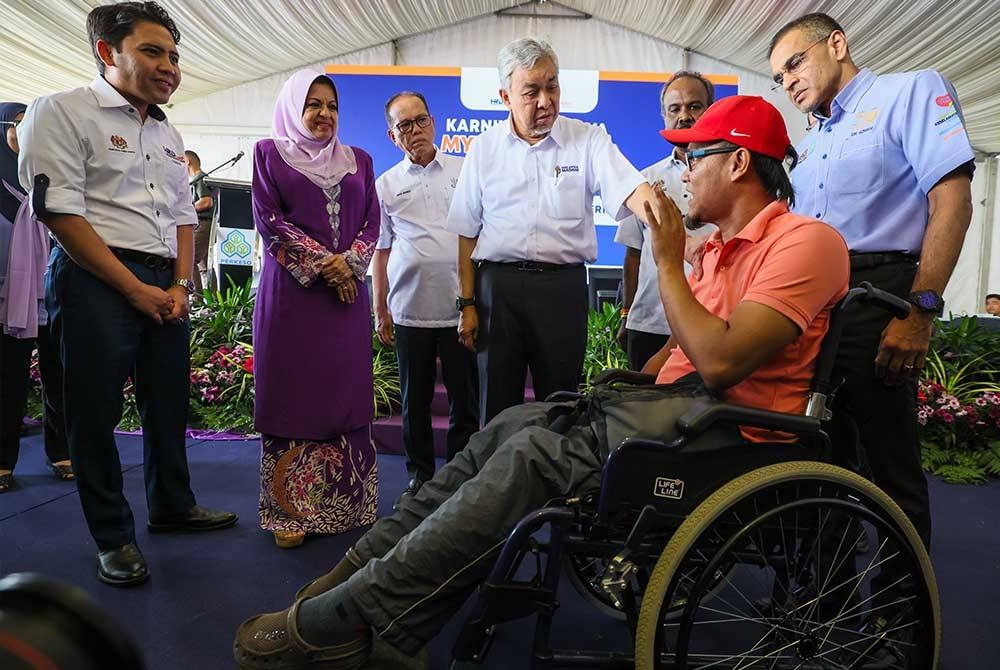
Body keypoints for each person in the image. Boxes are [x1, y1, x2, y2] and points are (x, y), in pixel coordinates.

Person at [232, 95, 851, 669]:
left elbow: (717, 365)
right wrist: (629, 385)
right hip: (679, 411)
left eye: (693, 155)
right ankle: (356, 571)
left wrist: (667, 259)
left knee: (531, 457)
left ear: (740, 161)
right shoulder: (721, 248)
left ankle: (362, 615)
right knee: (509, 425)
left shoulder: (808, 243)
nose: (680, 169)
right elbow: (682, 353)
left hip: (728, 437)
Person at [17, 1, 237, 586]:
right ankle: (113, 536)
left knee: (167, 404)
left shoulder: (167, 129)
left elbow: (184, 217)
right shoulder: (59, 111)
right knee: (94, 414)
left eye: (173, 56)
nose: (170, 67)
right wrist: (134, 288)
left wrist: (181, 285)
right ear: (106, 53)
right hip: (95, 282)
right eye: (152, 52)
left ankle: (172, 506)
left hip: (166, 284)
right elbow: (60, 214)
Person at [768, 12, 975, 549]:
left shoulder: (910, 93)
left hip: (881, 294)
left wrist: (919, 311)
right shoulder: (810, 144)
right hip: (816, 305)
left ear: (836, 44)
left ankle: (900, 619)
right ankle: (826, 608)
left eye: (794, 63)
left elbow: (951, 201)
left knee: (890, 470)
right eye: (779, 77)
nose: (788, 81)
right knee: (820, 463)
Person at [446, 37, 655, 425]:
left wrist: (664, 219)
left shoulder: (588, 139)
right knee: (497, 407)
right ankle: (497, 484)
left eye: (552, 86)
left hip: (563, 290)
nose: (546, 100)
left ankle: (555, 487)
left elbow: (631, 187)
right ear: (505, 96)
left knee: (561, 404)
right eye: (532, 91)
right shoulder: (483, 149)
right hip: (498, 291)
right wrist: (467, 303)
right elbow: (465, 232)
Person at [251, 69, 380, 550]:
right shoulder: (268, 154)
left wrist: (350, 265)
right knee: (293, 391)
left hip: (345, 301)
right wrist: (328, 265)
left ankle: (349, 502)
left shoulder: (359, 161)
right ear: (293, 108)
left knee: (344, 391)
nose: (324, 114)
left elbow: (372, 220)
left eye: (331, 106)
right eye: (313, 105)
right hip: (293, 298)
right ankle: (289, 509)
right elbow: (268, 220)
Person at [372, 91, 478, 507]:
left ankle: (458, 477)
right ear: (392, 136)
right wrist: (379, 309)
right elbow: (380, 252)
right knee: (414, 403)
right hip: (409, 311)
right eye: (404, 125)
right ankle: (418, 478)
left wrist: (475, 302)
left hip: (458, 309)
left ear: (433, 123)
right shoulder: (385, 185)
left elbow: (478, 236)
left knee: (464, 401)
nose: (414, 131)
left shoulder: (465, 170)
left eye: (420, 121)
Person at [615, 71, 714, 371]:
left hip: (709, 319)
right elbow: (633, 254)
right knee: (639, 411)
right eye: (675, 109)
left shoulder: (730, 178)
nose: (685, 116)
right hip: (650, 322)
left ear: (711, 110)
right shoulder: (644, 181)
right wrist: (627, 313)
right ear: (663, 116)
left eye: (695, 107)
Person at [0, 101, 73, 494]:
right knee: (6, 380)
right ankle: (2, 460)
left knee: (58, 375)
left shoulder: (47, 177)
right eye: (18, 125)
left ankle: (60, 451)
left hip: (52, 293)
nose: (26, 132)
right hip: (6, 299)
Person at [184, 149, 214, 296]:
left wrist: (187, 208)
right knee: (204, 266)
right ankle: (213, 299)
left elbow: (206, 202)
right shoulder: (195, 180)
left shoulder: (200, 178)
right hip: (202, 224)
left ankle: (196, 298)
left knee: (189, 259)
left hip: (203, 224)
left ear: (187, 161)